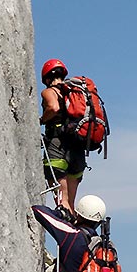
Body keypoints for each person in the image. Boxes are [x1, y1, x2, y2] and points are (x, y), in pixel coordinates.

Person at [40, 58, 85, 222]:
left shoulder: (49, 92)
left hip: (57, 146)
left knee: (62, 202)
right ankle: (75, 232)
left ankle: (66, 239)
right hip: (77, 150)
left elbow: (54, 107)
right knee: (70, 205)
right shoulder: (73, 93)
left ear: (46, 77)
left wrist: (41, 120)